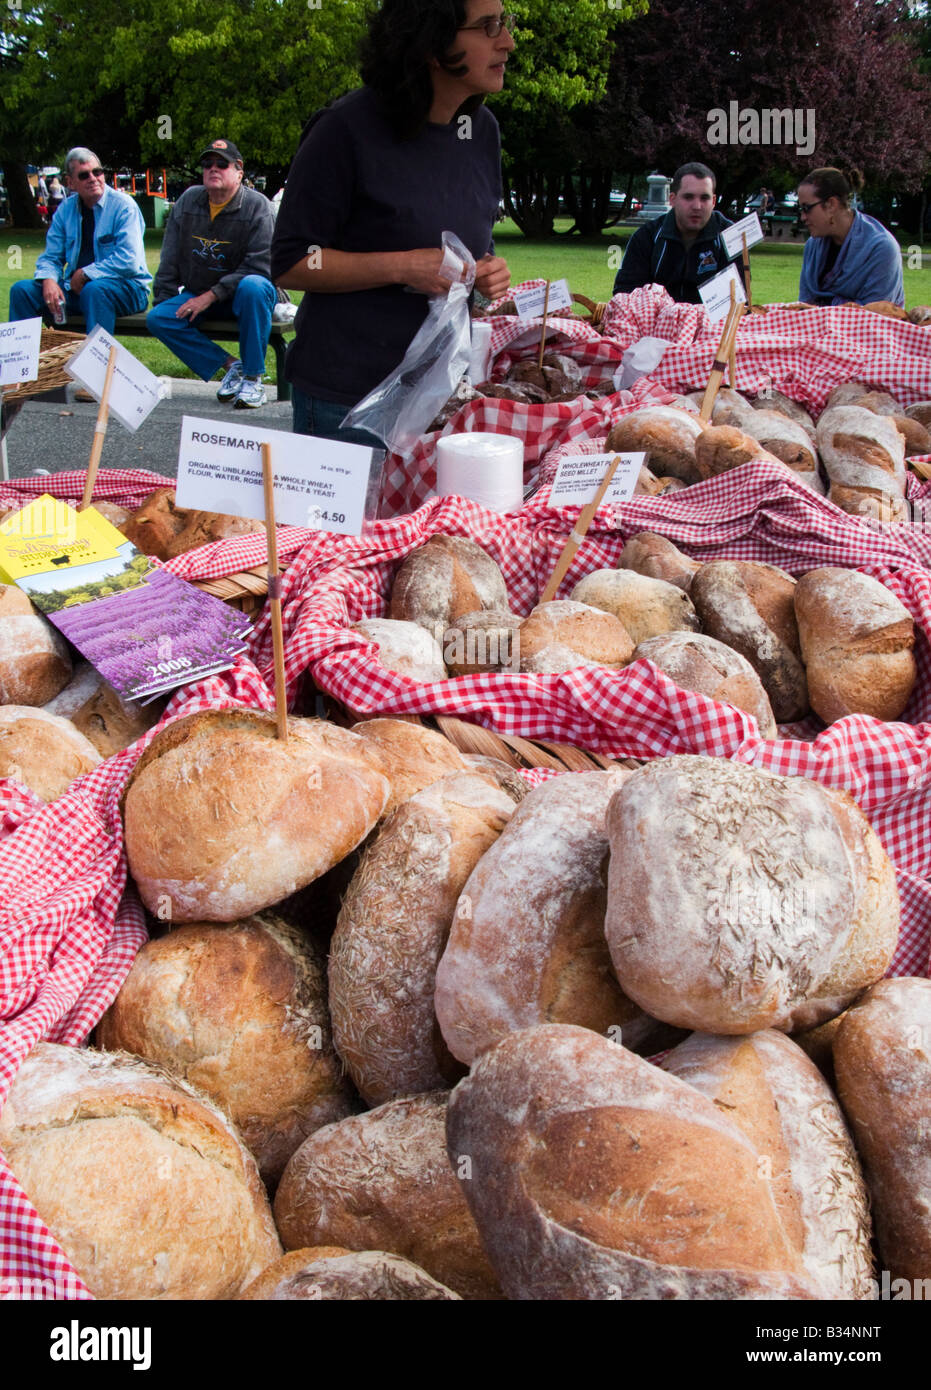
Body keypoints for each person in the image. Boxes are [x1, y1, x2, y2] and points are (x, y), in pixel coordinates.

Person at [271, 0, 513, 444]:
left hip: (441, 395)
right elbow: (292, 262)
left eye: (506, 23)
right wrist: (403, 265)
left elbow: (469, 237)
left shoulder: (480, 131)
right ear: (431, 45)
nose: (507, 42)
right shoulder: (344, 130)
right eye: (488, 27)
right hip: (345, 398)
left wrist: (484, 271)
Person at [147, 138, 277, 409]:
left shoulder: (258, 206)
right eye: (207, 164)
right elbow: (170, 257)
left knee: (254, 286)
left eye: (222, 164)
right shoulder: (187, 201)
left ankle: (254, 378)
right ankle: (233, 366)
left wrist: (210, 295)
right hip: (201, 294)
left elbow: (260, 266)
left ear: (239, 171)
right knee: (159, 318)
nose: (213, 169)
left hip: (246, 297)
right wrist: (165, 298)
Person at [8, 148, 150, 333]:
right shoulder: (65, 210)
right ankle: (21, 360)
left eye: (97, 172)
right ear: (70, 182)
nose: (93, 178)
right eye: (84, 175)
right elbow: (52, 256)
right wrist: (49, 279)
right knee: (22, 291)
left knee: (95, 290)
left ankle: (96, 360)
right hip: (77, 290)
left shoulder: (124, 206)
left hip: (128, 289)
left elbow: (129, 261)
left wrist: (86, 273)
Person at [612, 163, 742, 304]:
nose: (697, 206)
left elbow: (737, 299)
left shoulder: (730, 235)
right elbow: (624, 294)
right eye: (688, 197)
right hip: (655, 322)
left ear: (714, 201)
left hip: (712, 323)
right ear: (672, 199)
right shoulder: (646, 237)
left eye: (704, 198)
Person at [796, 168, 904, 307]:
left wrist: (822, 307)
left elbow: (876, 313)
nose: (803, 217)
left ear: (831, 205)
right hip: (817, 327)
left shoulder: (881, 248)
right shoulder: (813, 246)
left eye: (807, 208)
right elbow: (803, 306)